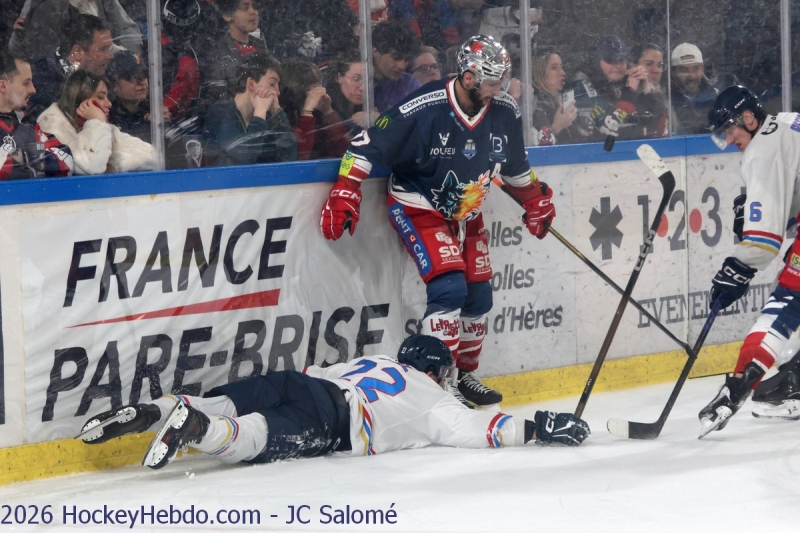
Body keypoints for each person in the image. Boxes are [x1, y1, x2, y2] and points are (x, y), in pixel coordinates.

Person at [318, 36, 556, 408]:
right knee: (449, 290)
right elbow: (363, 146)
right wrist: (346, 189)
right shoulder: (423, 107)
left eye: (502, 81)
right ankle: (437, 385)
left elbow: (514, 166)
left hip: (467, 211)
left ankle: (463, 376)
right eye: (492, 83)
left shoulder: (504, 110)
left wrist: (533, 198)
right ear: (469, 77)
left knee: (479, 296)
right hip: (418, 205)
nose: (499, 90)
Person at [76, 335, 590, 470]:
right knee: (251, 436)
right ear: (435, 371)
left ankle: (154, 412)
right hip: (332, 417)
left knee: (222, 402)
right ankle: (195, 430)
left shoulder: (376, 358)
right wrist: (544, 425)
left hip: (300, 381)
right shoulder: (433, 397)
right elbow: (488, 430)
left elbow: (314, 376)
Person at [698, 86, 800, 436]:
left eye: (730, 129)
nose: (729, 139)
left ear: (748, 118)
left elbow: (762, 244)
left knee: (790, 301)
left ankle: (744, 386)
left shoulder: (761, 153)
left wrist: (736, 270)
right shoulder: (786, 122)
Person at [37, 70, 155, 174]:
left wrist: (113, 164)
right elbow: (92, 166)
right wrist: (96, 121)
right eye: (101, 97)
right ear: (81, 99)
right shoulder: (52, 125)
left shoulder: (101, 125)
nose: (109, 104)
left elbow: (153, 154)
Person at [203, 53, 297, 166]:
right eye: (272, 84)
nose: (277, 92)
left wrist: (276, 111)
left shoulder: (265, 117)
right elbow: (244, 156)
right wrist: (260, 113)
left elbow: (289, 157)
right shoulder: (220, 112)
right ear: (251, 84)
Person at [569, 35, 665, 142]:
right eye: (610, 60)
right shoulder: (581, 89)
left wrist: (647, 90)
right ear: (596, 62)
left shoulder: (627, 85)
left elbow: (662, 128)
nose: (618, 65)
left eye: (621, 60)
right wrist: (629, 93)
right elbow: (610, 132)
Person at [0, 49, 73, 179]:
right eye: (26, 83)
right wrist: (35, 160)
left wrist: (20, 158)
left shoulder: (28, 124)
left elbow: (66, 162)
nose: (33, 89)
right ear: (3, 86)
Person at [26, 14, 113, 122]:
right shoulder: (43, 84)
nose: (110, 56)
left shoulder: (105, 78)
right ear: (77, 52)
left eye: (109, 48)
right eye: (103, 49)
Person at [10, 0, 142, 63]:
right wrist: (19, 35)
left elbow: (129, 31)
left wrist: (130, 59)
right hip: (62, 75)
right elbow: (18, 51)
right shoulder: (42, 5)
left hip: (106, 66)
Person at [279, 59, 350, 160]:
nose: (319, 89)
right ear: (298, 87)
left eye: (319, 83)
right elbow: (300, 156)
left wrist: (328, 112)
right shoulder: (283, 114)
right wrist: (307, 111)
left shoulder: (319, 113)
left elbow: (345, 150)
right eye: (313, 84)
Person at [203, 0, 268, 101]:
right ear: (227, 15)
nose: (253, 12)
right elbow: (219, 99)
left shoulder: (261, 46)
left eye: (255, 7)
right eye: (245, 8)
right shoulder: (218, 54)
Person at [106, 51, 166, 142]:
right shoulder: (107, 115)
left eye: (144, 75)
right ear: (115, 85)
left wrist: (163, 124)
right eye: (133, 77)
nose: (142, 82)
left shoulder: (154, 109)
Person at [371, 21, 421, 113]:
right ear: (375, 51)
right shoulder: (358, 84)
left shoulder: (408, 84)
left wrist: (383, 119)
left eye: (407, 59)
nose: (402, 66)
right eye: (396, 57)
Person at [529, 50, 577, 146]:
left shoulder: (562, 100)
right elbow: (538, 148)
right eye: (554, 68)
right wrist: (556, 127)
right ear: (540, 72)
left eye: (561, 67)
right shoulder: (535, 104)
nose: (562, 72)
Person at [670, 42, 718, 135]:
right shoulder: (666, 102)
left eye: (696, 68)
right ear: (674, 72)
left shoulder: (717, 98)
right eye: (684, 70)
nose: (691, 76)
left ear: (702, 69)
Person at [326, 54, 377, 134]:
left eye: (369, 81)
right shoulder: (326, 106)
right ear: (339, 77)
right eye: (356, 79)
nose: (363, 88)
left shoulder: (374, 100)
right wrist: (351, 123)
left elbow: (391, 117)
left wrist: (379, 118)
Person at [633, 42, 667, 136]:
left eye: (659, 65)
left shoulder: (668, 95)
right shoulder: (627, 97)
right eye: (649, 64)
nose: (656, 70)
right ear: (633, 66)